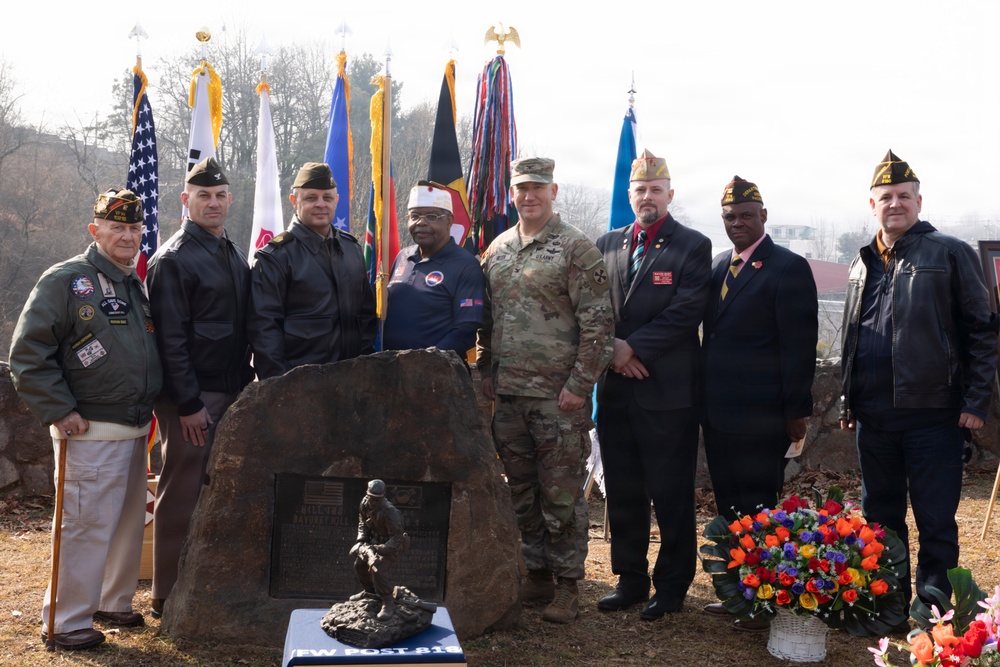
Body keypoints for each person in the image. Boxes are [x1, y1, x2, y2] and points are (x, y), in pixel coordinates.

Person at [840, 150, 998, 613]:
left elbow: (982, 331)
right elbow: (852, 335)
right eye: (886, 196)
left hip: (934, 416)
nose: (895, 204)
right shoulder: (860, 262)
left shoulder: (949, 253)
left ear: (919, 202)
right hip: (874, 419)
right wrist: (849, 401)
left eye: (904, 196)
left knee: (935, 522)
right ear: (872, 204)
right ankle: (886, 606)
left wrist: (976, 401)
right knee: (879, 520)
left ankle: (932, 611)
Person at [9, 189, 162, 650]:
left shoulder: (134, 283)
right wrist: (59, 409)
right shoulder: (66, 280)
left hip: (135, 426)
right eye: (117, 228)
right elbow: (28, 354)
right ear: (95, 230)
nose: (128, 236)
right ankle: (65, 621)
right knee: (84, 525)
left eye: (134, 228)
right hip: (89, 428)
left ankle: (113, 601)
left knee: (126, 525)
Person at [476, 157, 614, 624]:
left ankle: (568, 585)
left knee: (562, 495)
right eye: (522, 188)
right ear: (512, 194)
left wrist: (579, 386)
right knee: (521, 491)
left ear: (553, 191)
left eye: (538, 187)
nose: (529, 196)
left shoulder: (576, 249)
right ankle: (536, 573)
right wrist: (487, 371)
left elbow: (599, 326)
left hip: (558, 399)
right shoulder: (497, 249)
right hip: (509, 397)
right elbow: (487, 321)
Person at [593, 149, 712, 621]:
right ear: (630, 195)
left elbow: (686, 311)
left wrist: (632, 348)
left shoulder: (692, 245)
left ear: (670, 194)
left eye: (656, 189)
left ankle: (672, 585)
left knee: (671, 494)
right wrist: (612, 350)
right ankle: (630, 579)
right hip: (617, 391)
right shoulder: (607, 244)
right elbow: (593, 309)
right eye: (640, 189)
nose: (648, 196)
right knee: (623, 491)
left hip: (667, 394)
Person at [701, 176, 818, 631]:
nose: (738, 223)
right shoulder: (718, 265)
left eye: (746, 215)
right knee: (729, 508)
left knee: (759, 511)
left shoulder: (788, 267)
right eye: (730, 216)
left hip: (762, 417)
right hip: (718, 415)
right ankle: (737, 594)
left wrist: (795, 412)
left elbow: (799, 346)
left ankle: (763, 600)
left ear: (763, 216)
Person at [144, 157, 253, 618]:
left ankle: (204, 587)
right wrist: (188, 404)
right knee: (182, 488)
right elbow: (169, 341)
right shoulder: (174, 259)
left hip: (229, 389)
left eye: (220, 195)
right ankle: (166, 594)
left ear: (230, 199)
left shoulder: (230, 251)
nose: (213, 202)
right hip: (191, 399)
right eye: (203, 195)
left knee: (215, 489)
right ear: (185, 201)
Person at [249, 162, 377, 379]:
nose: (320, 204)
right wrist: (279, 387)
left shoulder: (351, 249)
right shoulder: (275, 257)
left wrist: (364, 370)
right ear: (294, 201)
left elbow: (365, 317)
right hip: (299, 385)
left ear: (336, 201)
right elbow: (264, 331)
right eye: (311, 198)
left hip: (351, 380)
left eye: (327, 198)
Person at [382, 181, 485, 358]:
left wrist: (426, 362)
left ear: (449, 221)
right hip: (390, 367)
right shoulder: (402, 257)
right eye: (415, 216)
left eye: (431, 217)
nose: (421, 222)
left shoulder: (466, 266)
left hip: (437, 370)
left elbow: (466, 330)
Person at [349, 479, 410, 621]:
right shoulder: (365, 504)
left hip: (391, 546)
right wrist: (361, 541)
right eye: (371, 497)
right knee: (359, 565)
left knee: (378, 568)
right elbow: (362, 524)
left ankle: (388, 602)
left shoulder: (391, 512)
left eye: (377, 499)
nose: (373, 501)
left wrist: (378, 549)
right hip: (374, 542)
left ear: (382, 496)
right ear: (367, 494)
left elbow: (396, 538)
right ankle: (370, 593)